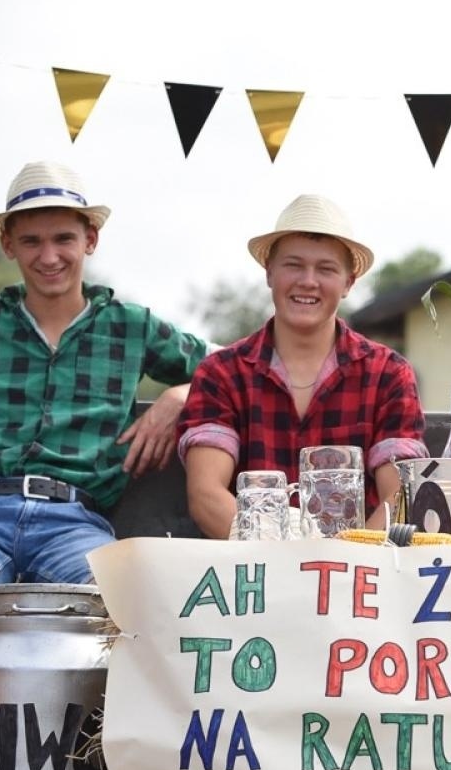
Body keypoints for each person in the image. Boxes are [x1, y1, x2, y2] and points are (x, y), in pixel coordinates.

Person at [0, 161, 208, 757]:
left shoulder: (131, 326)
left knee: (133, 616)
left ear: (91, 239)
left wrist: (178, 395)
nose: (49, 255)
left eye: (64, 238)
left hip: (74, 520)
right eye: (31, 240)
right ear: (8, 244)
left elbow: (231, 369)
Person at [178, 195, 425, 538]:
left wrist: (347, 566)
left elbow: (397, 497)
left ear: (348, 283)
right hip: (251, 572)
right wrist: (283, 564)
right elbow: (206, 496)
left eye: (326, 269)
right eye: (293, 265)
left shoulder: (388, 373)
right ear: (269, 273)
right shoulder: (221, 372)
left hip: (359, 575)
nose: (308, 281)